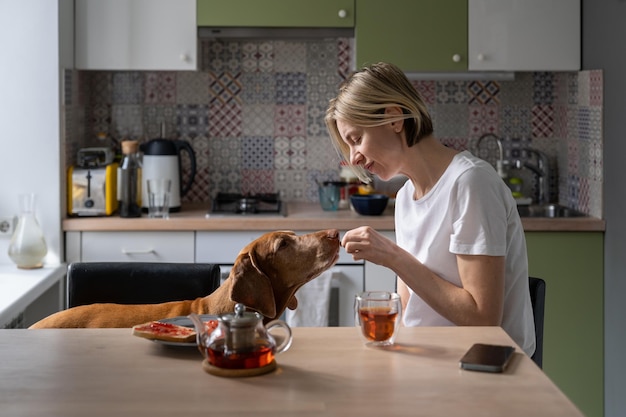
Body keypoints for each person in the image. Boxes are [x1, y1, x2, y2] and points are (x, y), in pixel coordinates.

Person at [325, 62, 535, 356]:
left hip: (484, 368)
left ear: (394, 118)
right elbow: (412, 312)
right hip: (431, 358)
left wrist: (393, 257)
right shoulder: (406, 198)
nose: (353, 158)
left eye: (357, 139)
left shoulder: (470, 182)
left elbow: (483, 319)